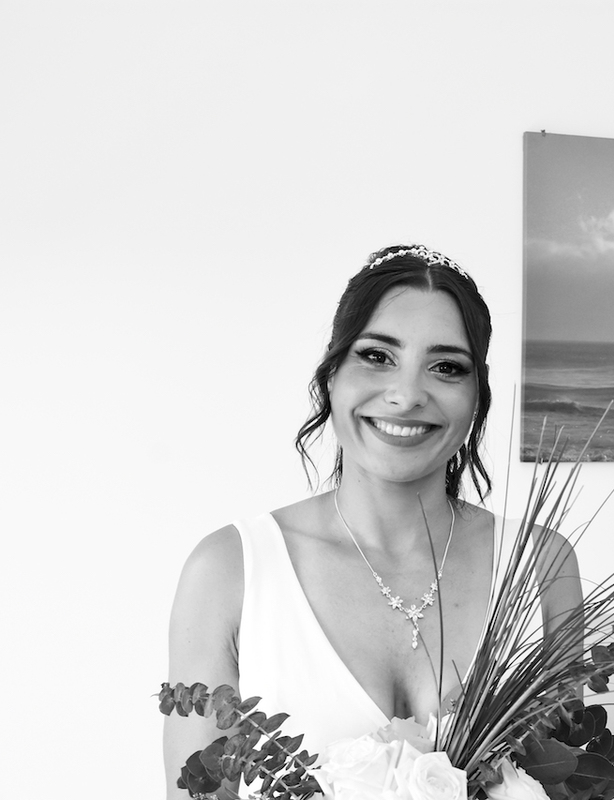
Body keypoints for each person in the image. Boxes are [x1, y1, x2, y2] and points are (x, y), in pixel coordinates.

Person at [164, 244, 583, 798]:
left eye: (446, 367)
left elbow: (570, 783)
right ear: (331, 374)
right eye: (377, 356)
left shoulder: (542, 565)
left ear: (477, 395)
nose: (406, 396)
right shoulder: (228, 571)